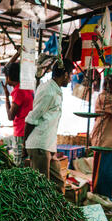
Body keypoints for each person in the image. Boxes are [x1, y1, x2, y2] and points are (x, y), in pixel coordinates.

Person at [24, 59, 74, 193]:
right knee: (42, 190)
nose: (71, 79)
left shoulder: (54, 89)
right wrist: (24, 145)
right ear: (64, 74)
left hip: (47, 146)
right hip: (39, 145)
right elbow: (31, 119)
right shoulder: (49, 92)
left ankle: (59, 213)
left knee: (58, 185)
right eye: (71, 75)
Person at [2, 62, 34, 167]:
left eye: (6, 77)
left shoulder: (18, 91)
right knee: (26, 163)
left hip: (21, 132)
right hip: (29, 132)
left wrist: (6, 97)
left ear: (10, 76)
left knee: (18, 164)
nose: (6, 81)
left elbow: (10, 116)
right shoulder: (28, 88)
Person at [90, 74, 112, 198]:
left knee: (111, 174)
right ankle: (101, 199)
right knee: (104, 174)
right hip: (104, 142)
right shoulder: (104, 97)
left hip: (111, 143)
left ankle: (108, 199)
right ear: (108, 86)